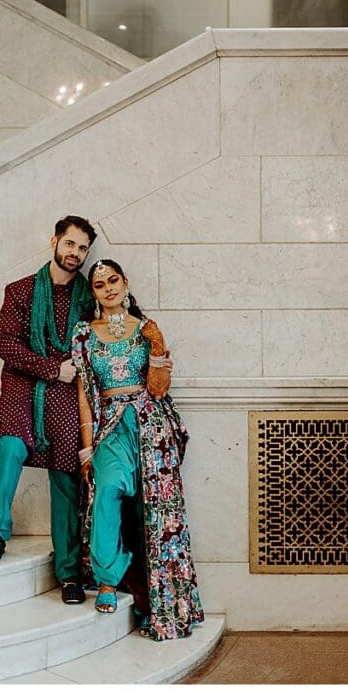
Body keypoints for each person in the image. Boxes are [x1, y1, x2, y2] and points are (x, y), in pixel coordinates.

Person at [71, 258, 203, 640]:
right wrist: (85, 448)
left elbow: (159, 388)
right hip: (110, 424)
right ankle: (109, 577)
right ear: (93, 293)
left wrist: (157, 344)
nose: (108, 288)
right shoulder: (85, 334)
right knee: (108, 490)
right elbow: (84, 393)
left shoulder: (146, 329)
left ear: (126, 283)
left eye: (113, 280)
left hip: (150, 422)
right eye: (99, 284)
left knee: (154, 512)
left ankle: (159, 602)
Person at [0, 215, 97, 605]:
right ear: (54, 242)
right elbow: (7, 348)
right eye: (70, 244)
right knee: (9, 448)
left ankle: (68, 572)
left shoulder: (88, 298)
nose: (75, 253)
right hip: (22, 386)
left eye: (82, 248)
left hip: (65, 394)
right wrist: (51, 368)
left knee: (65, 474)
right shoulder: (21, 291)